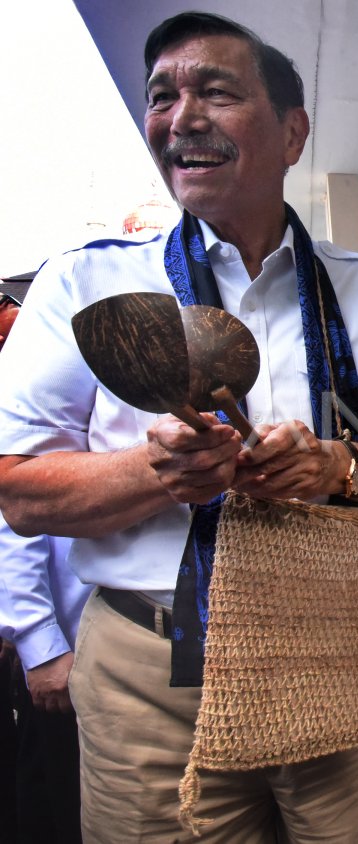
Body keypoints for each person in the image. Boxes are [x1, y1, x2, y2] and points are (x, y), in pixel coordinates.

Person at [0, 12, 358, 841]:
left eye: (216, 89)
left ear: (292, 132)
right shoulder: (87, 287)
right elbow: (18, 492)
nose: (182, 115)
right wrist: (157, 475)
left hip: (338, 645)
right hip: (153, 676)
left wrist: (340, 466)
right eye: (163, 97)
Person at [0, 291, 90, 844]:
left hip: (102, 641)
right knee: (60, 803)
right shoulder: (32, 360)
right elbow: (15, 518)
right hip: (67, 645)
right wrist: (39, 641)